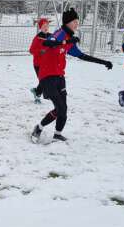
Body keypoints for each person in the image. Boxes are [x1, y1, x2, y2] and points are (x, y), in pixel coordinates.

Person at [30, 8, 113, 143]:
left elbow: (82, 56)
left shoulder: (69, 38)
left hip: (59, 77)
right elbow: (48, 42)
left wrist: (103, 62)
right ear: (67, 22)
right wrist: (66, 42)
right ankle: (38, 128)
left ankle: (57, 134)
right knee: (60, 107)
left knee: (63, 109)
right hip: (47, 76)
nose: (77, 24)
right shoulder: (60, 34)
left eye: (77, 21)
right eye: (74, 21)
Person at [29, 18, 51, 103]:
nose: (46, 27)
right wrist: (39, 51)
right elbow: (31, 50)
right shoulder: (37, 38)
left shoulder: (51, 36)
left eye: (47, 26)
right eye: (44, 26)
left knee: (47, 80)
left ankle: (37, 92)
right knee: (43, 81)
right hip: (38, 64)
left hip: (48, 63)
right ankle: (38, 95)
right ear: (40, 27)